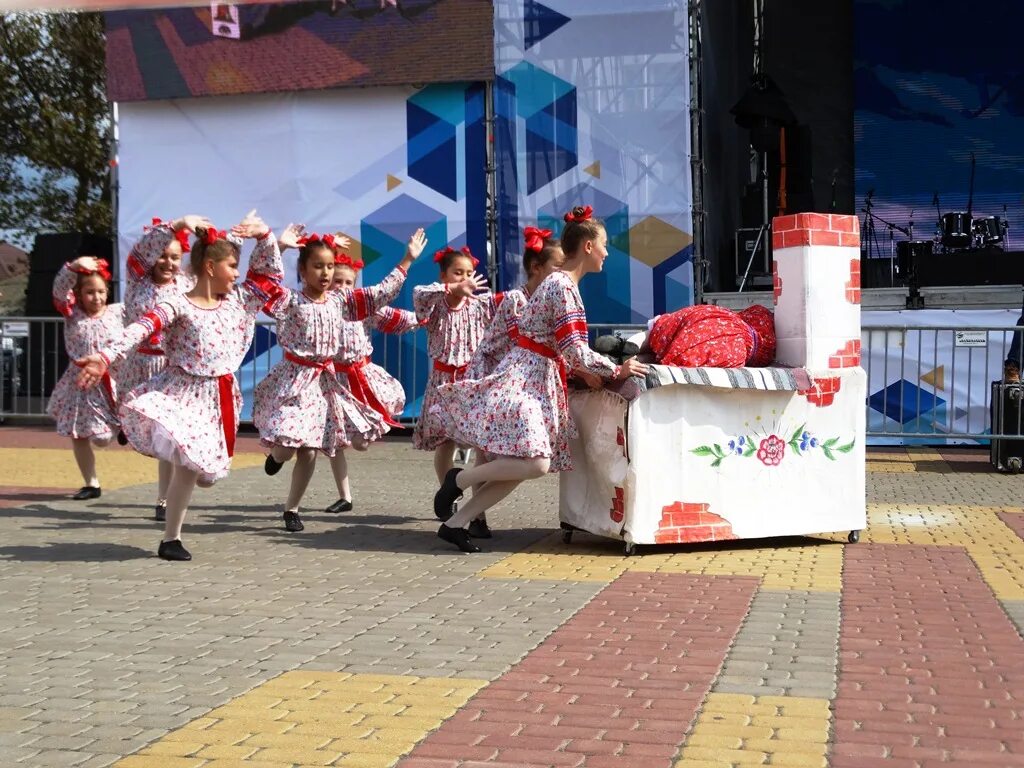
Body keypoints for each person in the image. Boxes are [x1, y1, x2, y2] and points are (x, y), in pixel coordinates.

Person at [429, 205, 649, 552]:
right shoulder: (562, 286)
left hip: (535, 376)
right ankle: (460, 478)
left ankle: (455, 524)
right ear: (588, 246)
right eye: (604, 244)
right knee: (535, 462)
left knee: (524, 465)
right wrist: (615, 370)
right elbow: (575, 350)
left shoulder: (560, 284)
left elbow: (567, 348)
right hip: (527, 377)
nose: (608, 252)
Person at [75, 211, 283, 562]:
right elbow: (140, 327)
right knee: (188, 466)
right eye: (232, 265)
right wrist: (106, 356)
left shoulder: (237, 301)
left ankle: (186, 497)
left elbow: (268, 279)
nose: (237, 272)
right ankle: (171, 538)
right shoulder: (176, 303)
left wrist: (265, 236)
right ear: (210, 267)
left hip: (222, 397)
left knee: (208, 476)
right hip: (184, 392)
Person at [255, 227, 427, 532]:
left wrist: (407, 260)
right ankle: (277, 457)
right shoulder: (291, 301)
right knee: (285, 445)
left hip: (322, 383)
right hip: (293, 379)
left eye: (330, 266)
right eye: (318, 266)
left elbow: (379, 295)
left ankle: (291, 509)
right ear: (303, 269)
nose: (325, 273)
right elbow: (262, 288)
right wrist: (277, 246)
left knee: (309, 448)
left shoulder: (340, 302)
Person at [119, 216, 201, 521]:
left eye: (175, 257)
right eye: (163, 255)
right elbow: (142, 251)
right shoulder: (137, 279)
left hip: (169, 368)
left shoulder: (186, 284)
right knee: (140, 425)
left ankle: (163, 500)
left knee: (168, 434)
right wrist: (177, 224)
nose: (168, 262)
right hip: (139, 364)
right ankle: (129, 425)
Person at [326, 251, 421, 514]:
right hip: (334, 381)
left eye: (348, 282)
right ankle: (344, 496)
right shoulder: (325, 307)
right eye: (337, 281)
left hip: (362, 375)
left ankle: (373, 426)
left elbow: (394, 318)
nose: (343, 287)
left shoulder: (362, 307)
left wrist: (422, 318)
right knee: (334, 441)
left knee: (360, 443)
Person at [412, 245, 499, 489]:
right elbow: (419, 294)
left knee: (479, 442)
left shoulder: (479, 304)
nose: (465, 278)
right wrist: (452, 289)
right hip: (443, 382)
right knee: (444, 443)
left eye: (469, 273)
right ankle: (446, 491)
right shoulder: (435, 304)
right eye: (457, 272)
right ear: (443, 276)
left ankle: (477, 507)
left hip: (471, 382)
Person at [47, 257, 125, 500]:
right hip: (79, 382)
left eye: (101, 291)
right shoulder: (72, 313)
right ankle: (91, 483)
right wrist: (72, 267)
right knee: (79, 434)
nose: (96, 297)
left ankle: (122, 426)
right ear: (79, 294)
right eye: (90, 292)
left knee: (102, 439)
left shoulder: (118, 312)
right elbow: (59, 289)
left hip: (111, 379)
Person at [465, 226, 564, 380]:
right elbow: (531, 347)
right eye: (558, 266)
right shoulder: (517, 300)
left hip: (516, 376)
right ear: (536, 267)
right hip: (492, 377)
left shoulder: (545, 303)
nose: (563, 273)